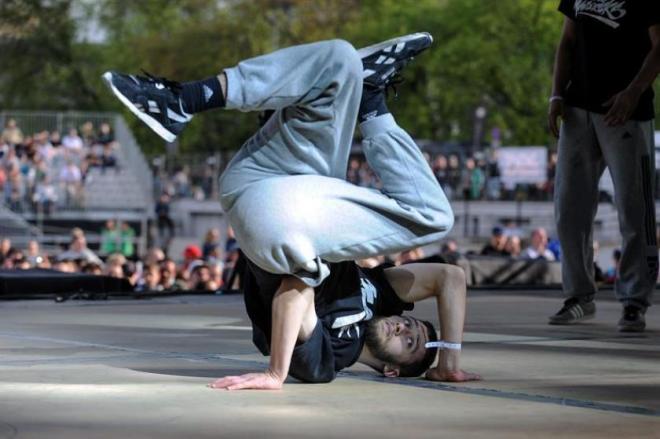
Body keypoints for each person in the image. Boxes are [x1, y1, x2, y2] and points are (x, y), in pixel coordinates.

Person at [104, 33, 478, 389]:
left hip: (275, 227)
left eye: (408, 343)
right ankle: (185, 99)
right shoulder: (382, 294)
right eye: (410, 323)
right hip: (256, 179)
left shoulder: (329, 360)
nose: (403, 329)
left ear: (391, 370)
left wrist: (275, 372)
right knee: (340, 59)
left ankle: (367, 104)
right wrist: (449, 362)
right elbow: (450, 279)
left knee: (435, 216)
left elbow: (292, 292)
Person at [548, 1, 660, 331]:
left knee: (634, 210)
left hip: (624, 112)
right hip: (577, 108)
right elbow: (567, 41)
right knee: (569, 209)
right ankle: (580, 296)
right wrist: (556, 94)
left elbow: (659, 46)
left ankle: (634, 301)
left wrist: (634, 91)